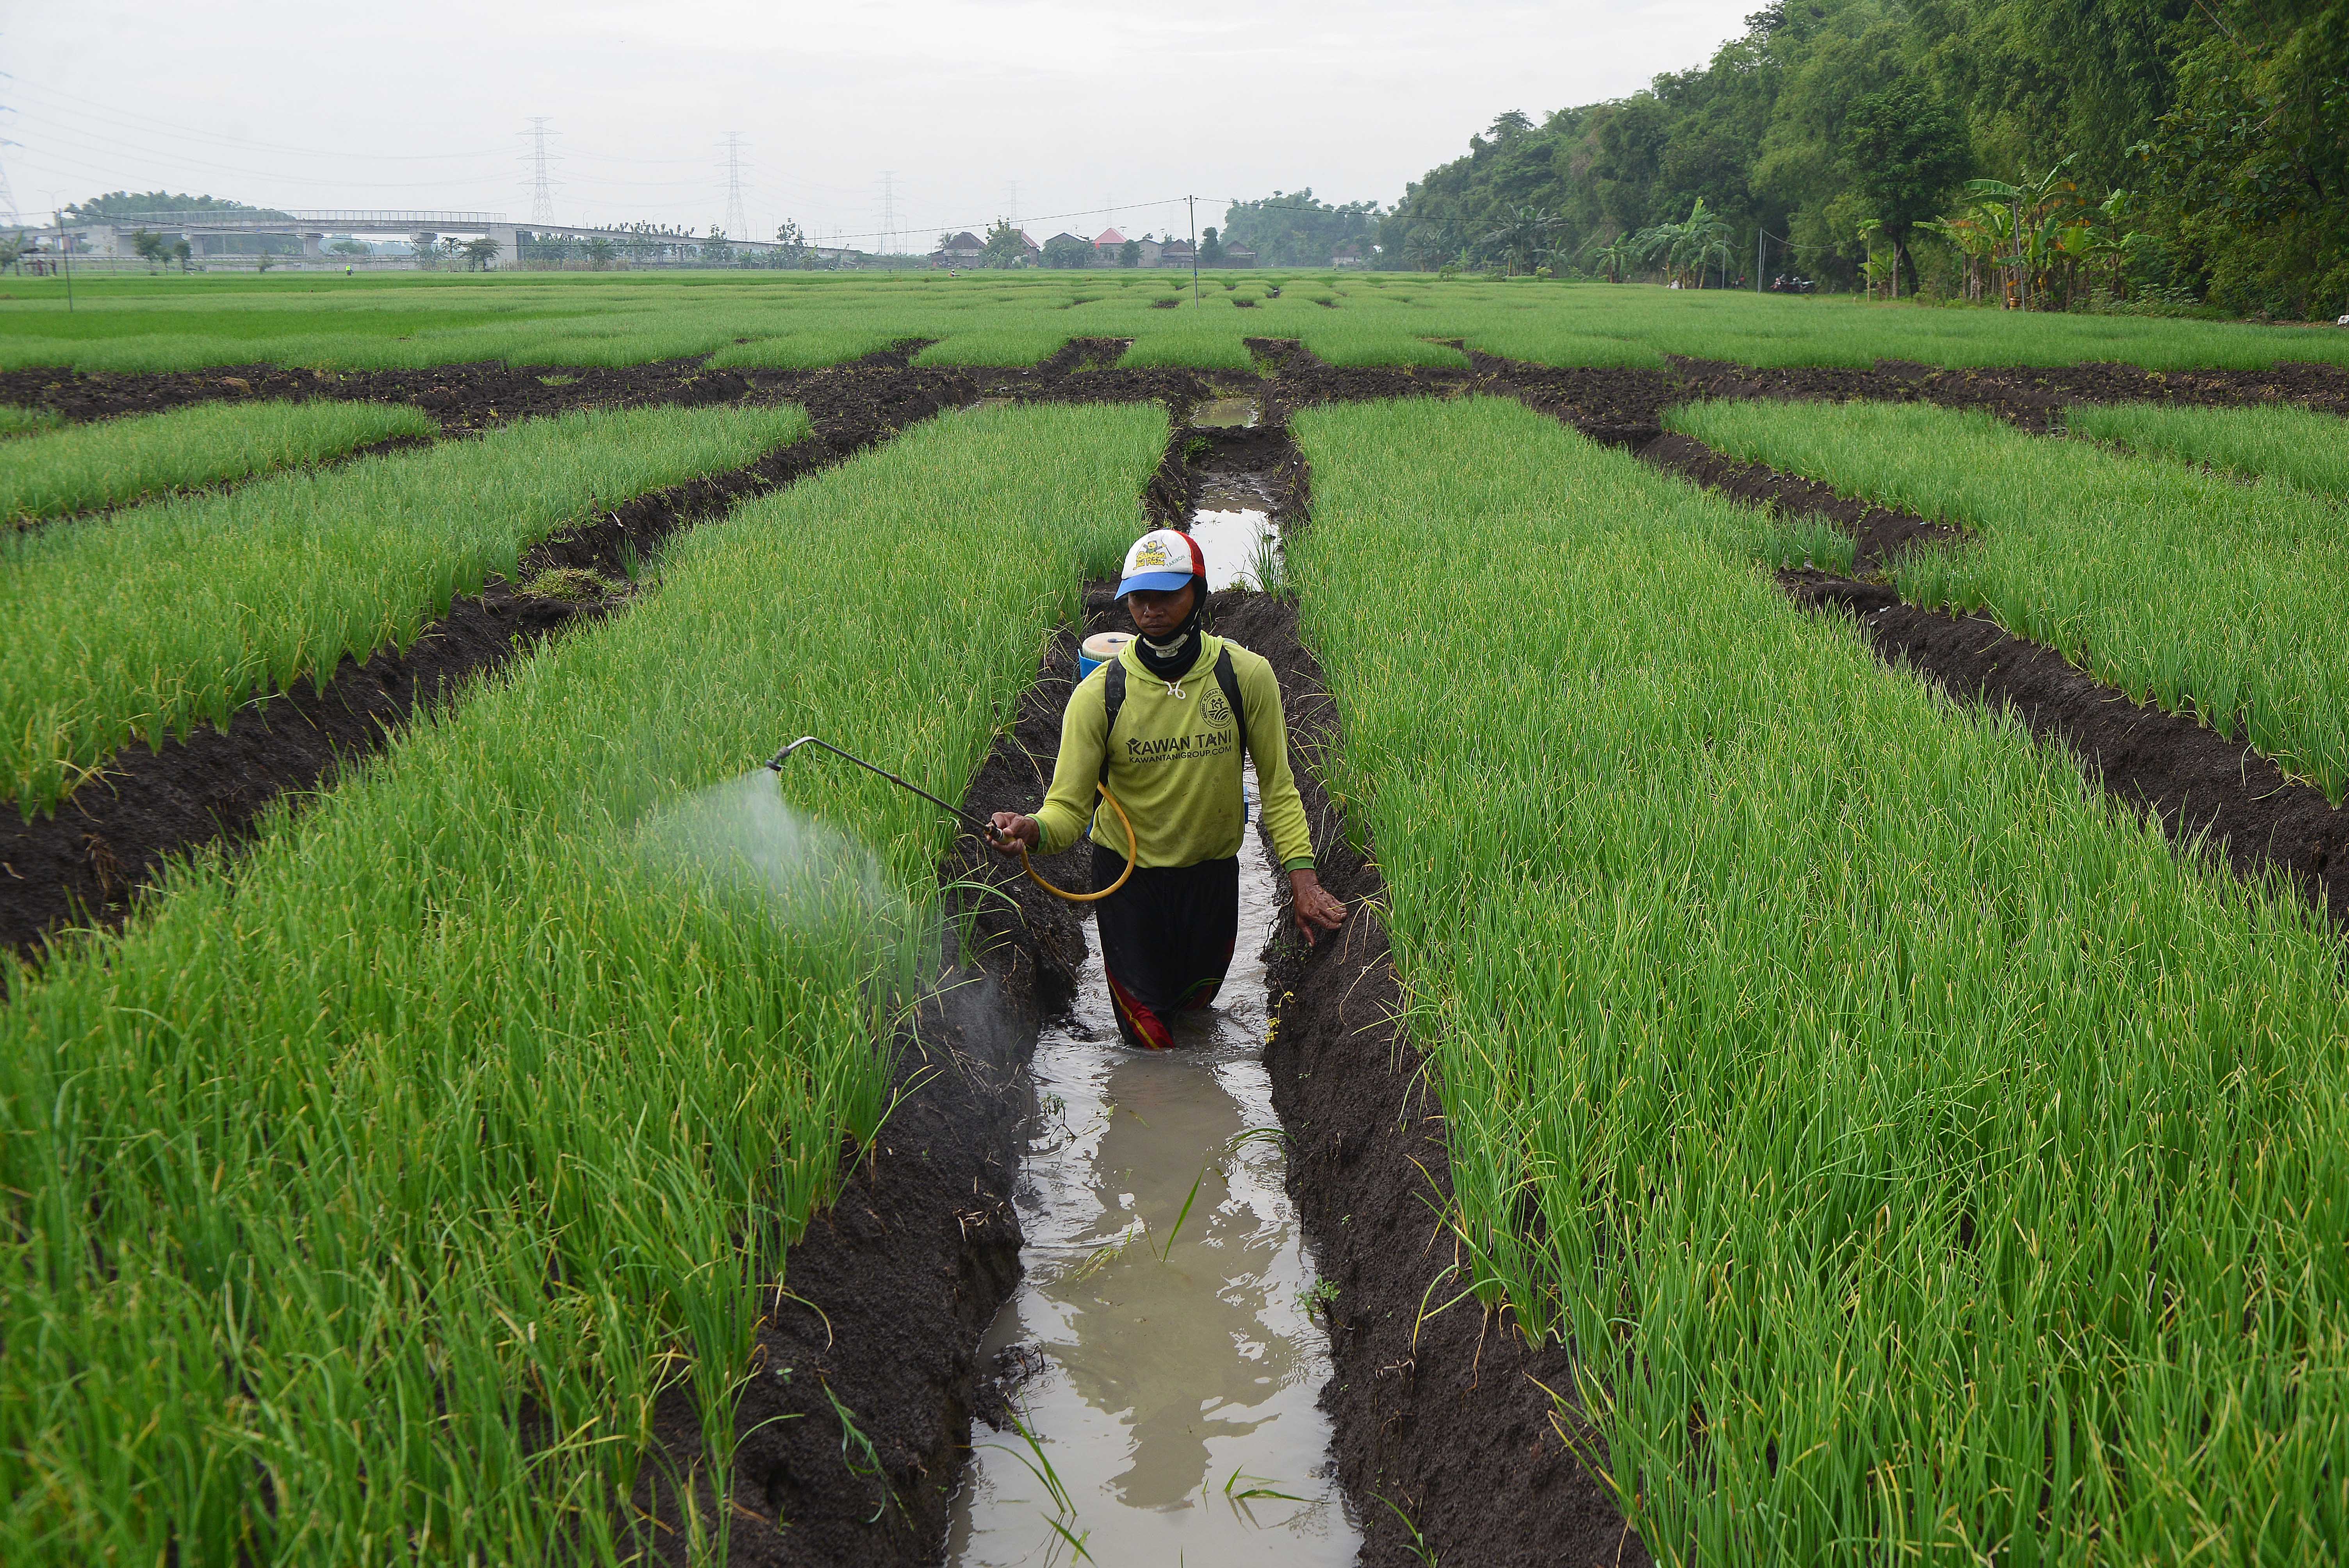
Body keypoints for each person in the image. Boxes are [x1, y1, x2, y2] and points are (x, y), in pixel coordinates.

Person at [989, 529, 1346, 1050]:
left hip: (1212, 883)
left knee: (1196, 1014)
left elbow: (1279, 787)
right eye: (1139, 596)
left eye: (1166, 594)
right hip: (1130, 891)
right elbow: (1067, 810)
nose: (1150, 608)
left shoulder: (1245, 676)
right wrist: (1032, 831)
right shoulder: (1099, 696)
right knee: (1151, 1043)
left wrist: (1304, 882)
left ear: (1197, 593)